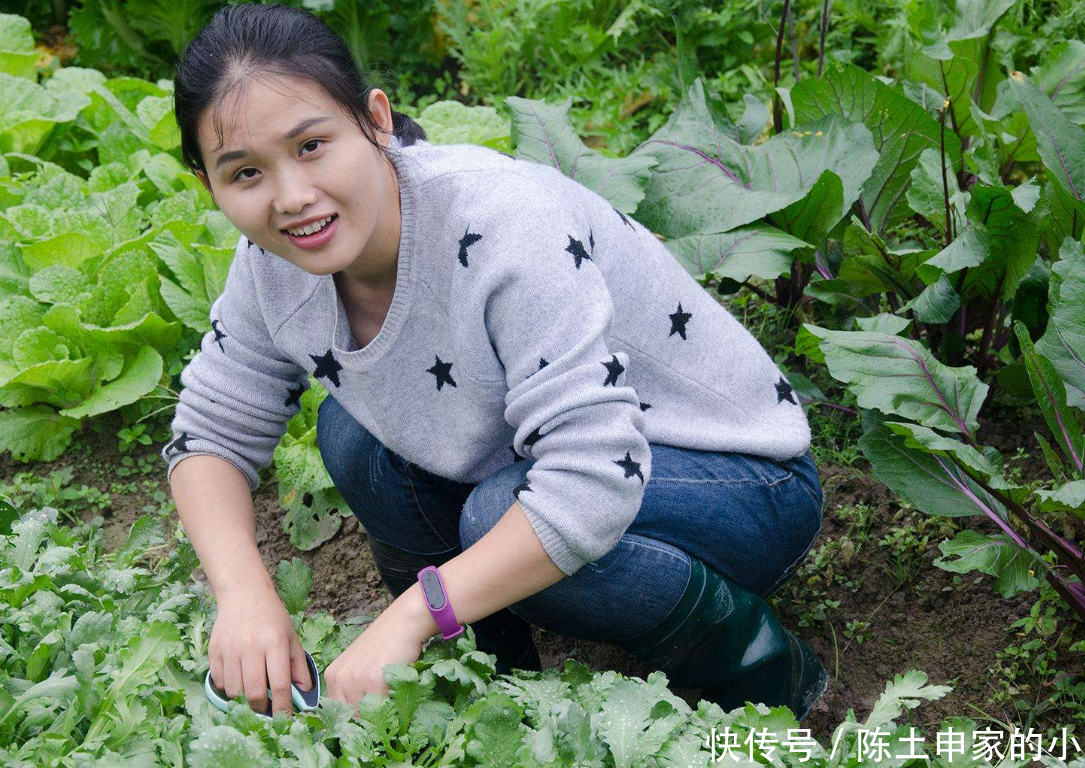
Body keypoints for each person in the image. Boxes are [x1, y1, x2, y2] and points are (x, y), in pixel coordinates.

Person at [164, 2, 828, 722]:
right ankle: (486, 677)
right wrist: (244, 596)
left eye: (313, 146)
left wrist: (413, 614)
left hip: (741, 481)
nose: (293, 197)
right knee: (354, 437)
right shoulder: (270, 261)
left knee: (499, 515)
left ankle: (767, 675)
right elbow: (209, 433)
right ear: (211, 186)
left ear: (375, 120)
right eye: (247, 173)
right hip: (548, 465)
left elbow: (591, 483)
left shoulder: (505, 226)